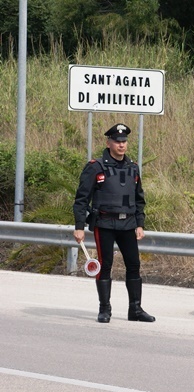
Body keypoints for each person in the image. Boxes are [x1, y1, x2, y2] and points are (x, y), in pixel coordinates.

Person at [72, 123, 155, 323]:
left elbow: (139, 199)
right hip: (105, 224)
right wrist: (79, 227)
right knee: (105, 265)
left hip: (128, 225)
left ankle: (135, 310)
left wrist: (140, 224)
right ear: (109, 143)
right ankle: (104, 309)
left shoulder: (132, 168)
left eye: (124, 141)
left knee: (134, 265)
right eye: (117, 142)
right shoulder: (96, 167)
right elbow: (81, 199)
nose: (121, 145)